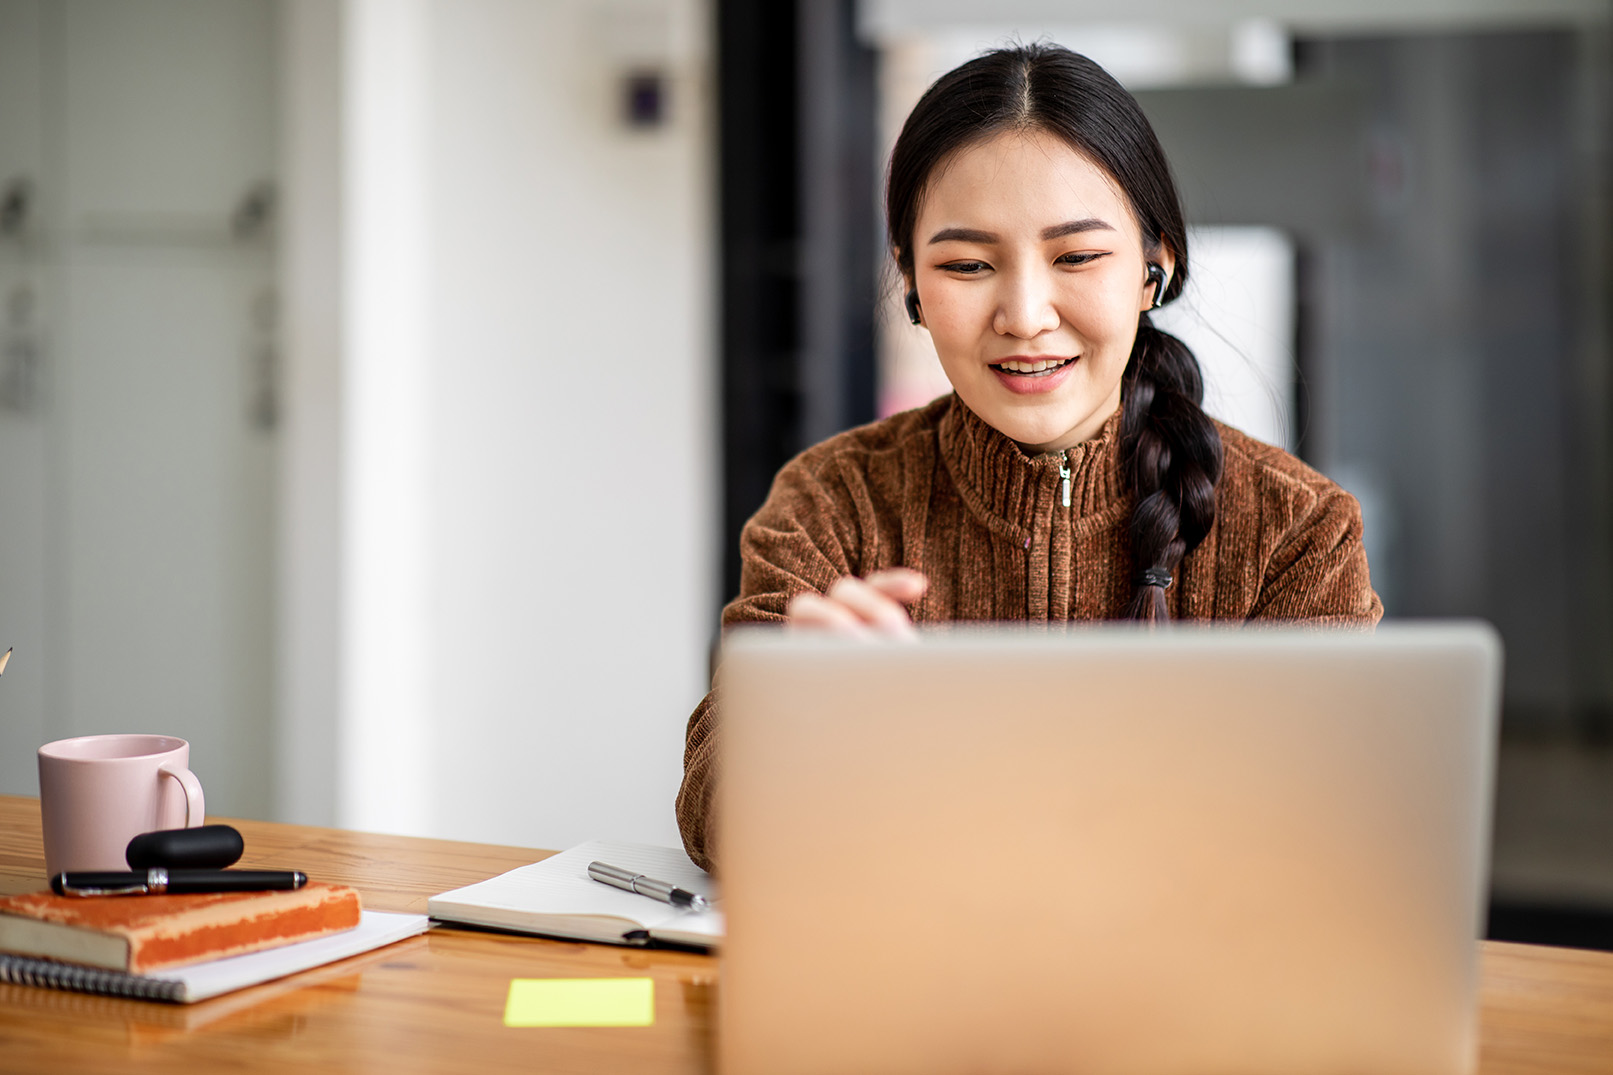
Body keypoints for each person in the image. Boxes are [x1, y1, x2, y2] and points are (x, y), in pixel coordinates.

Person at [677, 43, 1380, 871]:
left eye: (1076, 256)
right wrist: (792, 719)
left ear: (1155, 266)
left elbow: (1330, 836)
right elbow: (714, 820)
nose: (1023, 314)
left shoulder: (1296, 527)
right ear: (909, 278)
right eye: (967, 264)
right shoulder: (834, 500)